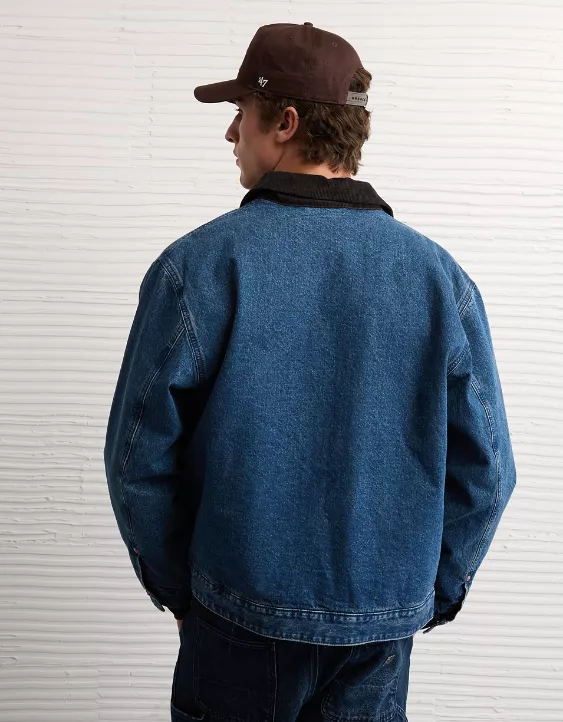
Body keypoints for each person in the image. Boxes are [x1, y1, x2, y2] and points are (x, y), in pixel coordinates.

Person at [103, 22, 517, 722]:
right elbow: (489, 473)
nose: (230, 133)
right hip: (378, 629)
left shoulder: (198, 268)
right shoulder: (438, 280)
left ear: (286, 123)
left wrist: (187, 591)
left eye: (241, 112)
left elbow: (136, 461)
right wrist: (421, 594)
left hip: (235, 618)